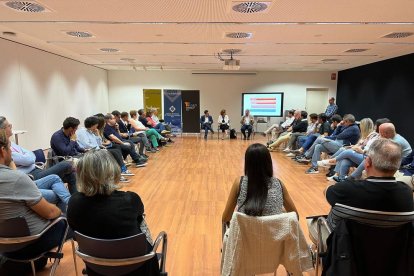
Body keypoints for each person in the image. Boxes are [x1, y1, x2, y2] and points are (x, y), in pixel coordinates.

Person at [67, 149, 160, 276]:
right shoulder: (130, 200)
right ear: (113, 171)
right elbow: (140, 218)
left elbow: (74, 232)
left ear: (81, 174)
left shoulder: (74, 202)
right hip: (137, 267)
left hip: (97, 268)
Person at [0, 130, 66, 272]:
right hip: (29, 244)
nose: (11, 154)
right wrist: (61, 213)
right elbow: (50, 213)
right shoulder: (16, 179)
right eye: (9, 149)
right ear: (2, 151)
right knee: (65, 222)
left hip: (3, 246)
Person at [325, 139, 414, 230]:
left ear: (367, 162)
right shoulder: (407, 194)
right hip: (390, 243)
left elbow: (327, 192)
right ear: (397, 165)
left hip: (345, 242)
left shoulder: (346, 188)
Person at [222, 143, 298, 225]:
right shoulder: (279, 183)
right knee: (282, 210)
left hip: (245, 237)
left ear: (247, 163)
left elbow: (225, 218)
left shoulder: (239, 183)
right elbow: (295, 216)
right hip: (273, 237)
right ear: (269, 162)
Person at [0, 116, 77, 194]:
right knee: (67, 164)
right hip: (32, 176)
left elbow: (31, 155)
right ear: (2, 130)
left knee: (70, 175)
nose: (11, 126)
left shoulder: (11, 143)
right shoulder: (4, 149)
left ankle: (76, 204)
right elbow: (29, 160)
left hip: (38, 170)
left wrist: (28, 159)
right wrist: (73, 140)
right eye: (9, 125)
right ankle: (72, 202)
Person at [76, 116, 134, 180]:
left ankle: (121, 170)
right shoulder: (82, 132)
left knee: (116, 151)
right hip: (91, 151)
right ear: (92, 125)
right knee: (114, 153)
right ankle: (117, 174)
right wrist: (99, 148)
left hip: (97, 149)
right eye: (96, 125)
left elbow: (99, 142)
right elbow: (87, 145)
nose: (97, 126)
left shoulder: (92, 131)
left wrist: (97, 134)